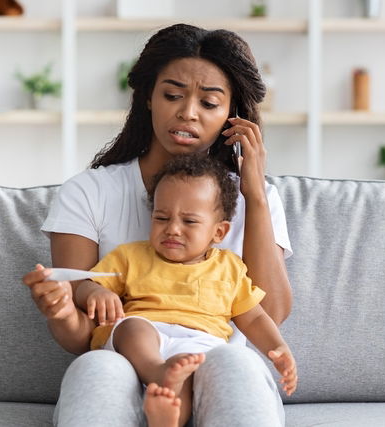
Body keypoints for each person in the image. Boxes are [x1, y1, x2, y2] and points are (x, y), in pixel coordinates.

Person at [22, 23, 294, 426]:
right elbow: (82, 336)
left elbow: (268, 312)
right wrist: (62, 309)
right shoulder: (90, 192)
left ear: (230, 115)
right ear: (148, 97)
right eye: (172, 95)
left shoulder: (255, 199)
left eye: (209, 103)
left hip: (213, 366)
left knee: (234, 364)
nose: (187, 113)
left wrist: (254, 197)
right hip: (123, 365)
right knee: (99, 367)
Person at [80, 154, 297, 427]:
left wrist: (278, 348)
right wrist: (94, 293)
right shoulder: (131, 256)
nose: (172, 229)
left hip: (201, 343)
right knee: (132, 327)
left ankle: (168, 420)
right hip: (146, 340)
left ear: (219, 232)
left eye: (189, 222)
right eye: (161, 217)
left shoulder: (229, 267)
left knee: (184, 369)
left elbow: (253, 317)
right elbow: (87, 284)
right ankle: (156, 373)